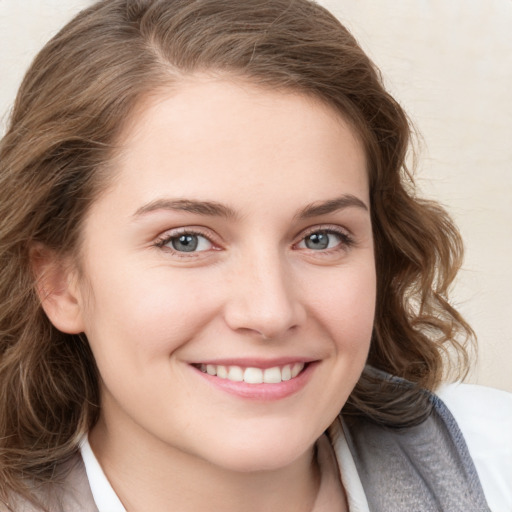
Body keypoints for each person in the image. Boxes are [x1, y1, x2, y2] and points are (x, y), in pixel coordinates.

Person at [0, 0, 510, 511]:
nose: (270, 312)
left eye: (320, 238)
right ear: (60, 282)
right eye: (186, 240)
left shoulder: (495, 461)